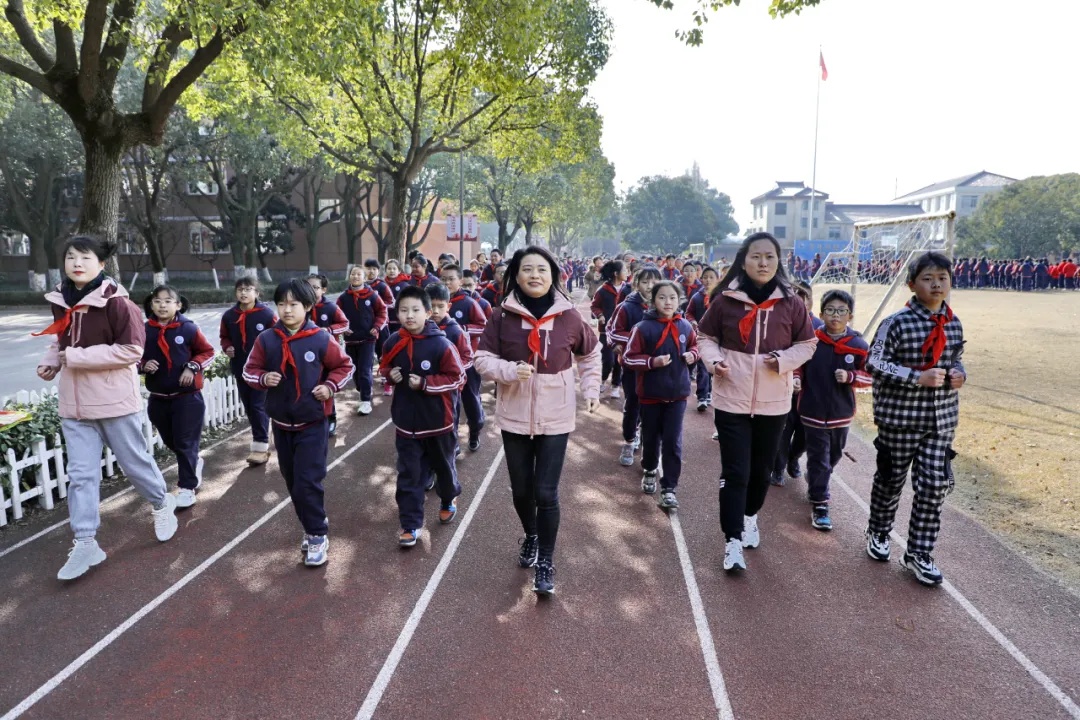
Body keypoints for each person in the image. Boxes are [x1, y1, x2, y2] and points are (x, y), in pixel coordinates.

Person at [35, 235, 179, 581]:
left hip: (114, 403)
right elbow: (62, 339)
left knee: (134, 464)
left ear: (102, 265)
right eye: (70, 257)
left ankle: (161, 503)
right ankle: (86, 541)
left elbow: (132, 350)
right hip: (75, 405)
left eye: (84, 258)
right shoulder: (62, 299)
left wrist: (77, 358)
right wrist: (52, 360)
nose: (76, 264)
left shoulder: (118, 304)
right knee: (81, 476)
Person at [474, 246, 601, 596]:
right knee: (521, 491)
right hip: (514, 416)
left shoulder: (570, 317)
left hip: (556, 416)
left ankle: (545, 559)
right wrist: (509, 371)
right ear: (515, 275)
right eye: (527, 269)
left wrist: (591, 389)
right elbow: (482, 358)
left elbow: (590, 354)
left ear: (553, 275)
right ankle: (531, 533)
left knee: (546, 492)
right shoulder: (501, 316)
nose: (535, 275)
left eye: (541, 270)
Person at [697, 232, 817, 573]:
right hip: (731, 399)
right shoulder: (725, 300)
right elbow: (705, 337)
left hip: (773, 402)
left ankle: (751, 517)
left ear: (779, 261)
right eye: (756, 257)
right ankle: (732, 540)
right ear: (743, 260)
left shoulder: (791, 303)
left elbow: (808, 344)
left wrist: (782, 360)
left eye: (770, 257)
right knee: (736, 471)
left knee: (761, 471)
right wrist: (713, 360)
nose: (763, 263)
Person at [865, 252, 965, 586]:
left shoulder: (953, 322)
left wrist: (959, 374)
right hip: (900, 419)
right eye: (928, 278)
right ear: (912, 284)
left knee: (934, 486)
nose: (937, 284)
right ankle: (878, 531)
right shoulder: (896, 322)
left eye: (943, 278)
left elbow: (956, 358)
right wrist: (915, 376)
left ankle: (919, 552)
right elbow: (874, 362)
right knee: (891, 480)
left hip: (940, 420)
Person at [243, 279, 354, 567]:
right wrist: (264, 378)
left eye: (293, 304)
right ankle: (310, 522)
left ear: (307, 306)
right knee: (292, 480)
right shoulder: (266, 339)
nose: (287, 310)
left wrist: (329, 386)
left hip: (313, 422)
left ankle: (318, 534)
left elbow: (344, 366)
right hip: (281, 423)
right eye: (281, 304)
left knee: (308, 480)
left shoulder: (319, 338)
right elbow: (249, 370)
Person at [380, 286, 467, 547]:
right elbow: (384, 365)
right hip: (406, 424)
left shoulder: (441, 343)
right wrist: (389, 375)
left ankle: (448, 497)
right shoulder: (393, 341)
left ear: (428, 313)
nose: (409, 315)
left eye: (415, 310)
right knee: (409, 475)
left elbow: (458, 377)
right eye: (403, 310)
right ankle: (410, 523)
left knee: (444, 468)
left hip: (438, 423)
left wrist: (427, 384)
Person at [796, 290, 870, 531]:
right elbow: (796, 366)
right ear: (821, 313)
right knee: (819, 458)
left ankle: (816, 478)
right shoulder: (811, 340)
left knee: (833, 456)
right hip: (812, 410)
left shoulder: (858, 345)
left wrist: (851, 376)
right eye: (830, 310)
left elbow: (871, 378)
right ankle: (820, 504)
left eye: (841, 311)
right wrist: (796, 379)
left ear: (850, 316)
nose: (835, 315)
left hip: (841, 413)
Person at [623, 281, 698, 510]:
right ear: (652, 301)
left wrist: (693, 355)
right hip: (650, 395)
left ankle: (669, 488)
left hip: (678, 395)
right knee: (651, 437)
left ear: (679, 300)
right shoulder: (643, 328)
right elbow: (628, 357)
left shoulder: (685, 326)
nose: (668, 302)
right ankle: (649, 468)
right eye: (662, 297)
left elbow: (697, 347)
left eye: (672, 298)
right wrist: (651, 362)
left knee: (673, 442)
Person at [140, 285, 215, 508]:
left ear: (178, 304)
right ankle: (193, 461)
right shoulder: (143, 330)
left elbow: (208, 352)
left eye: (168, 301)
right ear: (151, 304)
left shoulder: (188, 328)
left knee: (184, 442)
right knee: (173, 442)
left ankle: (187, 487)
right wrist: (143, 365)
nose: (162, 305)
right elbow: (130, 356)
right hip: (158, 397)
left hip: (187, 397)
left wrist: (192, 367)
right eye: (157, 301)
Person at [220, 276, 277, 465]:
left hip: (262, 369)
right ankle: (262, 436)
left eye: (248, 289)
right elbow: (224, 337)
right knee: (250, 406)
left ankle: (260, 446)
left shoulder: (267, 315)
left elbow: (278, 336)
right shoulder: (229, 316)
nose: (243, 293)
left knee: (257, 405)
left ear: (256, 293)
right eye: (240, 290)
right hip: (240, 367)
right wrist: (227, 347)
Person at [608, 265, 661, 467]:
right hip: (632, 366)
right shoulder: (626, 307)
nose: (650, 286)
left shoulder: (665, 304)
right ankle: (630, 440)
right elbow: (613, 332)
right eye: (645, 282)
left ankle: (650, 443)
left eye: (654, 281)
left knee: (654, 406)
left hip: (658, 368)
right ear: (636, 284)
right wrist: (635, 340)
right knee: (633, 403)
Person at [771, 282, 822, 486]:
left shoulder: (819, 327)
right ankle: (777, 468)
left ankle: (793, 457)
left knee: (803, 436)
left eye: (804, 295)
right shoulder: (778, 323)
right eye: (795, 294)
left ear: (810, 301)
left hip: (810, 394)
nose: (799, 299)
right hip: (781, 387)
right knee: (782, 431)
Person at [442, 264, 487, 451]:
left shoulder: (469, 303)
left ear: (460, 281)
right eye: (443, 279)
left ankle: (475, 431)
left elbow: (483, 326)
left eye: (450, 279)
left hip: (467, 362)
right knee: (450, 405)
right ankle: (453, 441)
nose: (447, 283)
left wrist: (463, 330)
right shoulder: (435, 303)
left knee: (471, 401)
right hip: (444, 364)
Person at [427, 283, 474, 460]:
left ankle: (452, 446)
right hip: (426, 386)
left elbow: (468, 357)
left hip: (449, 388)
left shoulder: (455, 331)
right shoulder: (419, 329)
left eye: (440, 306)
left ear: (448, 306)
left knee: (449, 421)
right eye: (432, 306)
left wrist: (453, 371)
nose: (436, 311)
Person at [337, 264, 388, 416]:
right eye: (353, 274)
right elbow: (336, 316)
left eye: (359, 274)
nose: (356, 276)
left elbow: (382, 311)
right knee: (355, 372)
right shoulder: (343, 298)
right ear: (349, 276)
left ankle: (365, 400)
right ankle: (363, 389)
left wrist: (377, 327)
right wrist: (343, 328)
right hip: (351, 340)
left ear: (364, 278)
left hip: (368, 339)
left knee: (365, 370)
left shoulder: (372, 295)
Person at [307, 274, 350, 436]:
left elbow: (344, 323)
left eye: (316, 287)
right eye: (308, 287)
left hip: (328, 353)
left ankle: (331, 417)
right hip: (307, 353)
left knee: (326, 383)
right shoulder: (302, 306)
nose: (311, 290)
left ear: (323, 290)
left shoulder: (330, 307)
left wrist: (329, 330)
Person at [590, 260, 626, 400]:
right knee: (608, 360)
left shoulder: (627, 289)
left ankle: (616, 386)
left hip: (622, 331)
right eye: (625, 270)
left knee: (619, 360)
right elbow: (594, 306)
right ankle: (602, 379)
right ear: (616, 274)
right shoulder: (603, 290)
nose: (627, 273)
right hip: (606, 331)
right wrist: (600, 315)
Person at [686, 265, 719, 412]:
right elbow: (689, 313)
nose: (708, 280)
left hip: (718, 339)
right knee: (703, 367)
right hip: (701, 338)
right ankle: (702, 396)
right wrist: (692, 321)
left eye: (711, 277)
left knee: (714, 367)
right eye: (705, 277)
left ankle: (710, 392)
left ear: (717, 280)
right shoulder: (696, 297)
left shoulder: (721, 297)